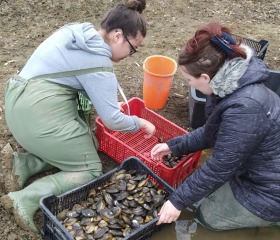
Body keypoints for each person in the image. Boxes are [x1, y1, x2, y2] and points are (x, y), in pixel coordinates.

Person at [0, 0, 155, 232]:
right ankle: (25, 199)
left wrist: (108, 103)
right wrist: (140, 123)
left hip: (17, 103)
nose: (130, 55)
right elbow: (113, 121)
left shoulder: (77, 31)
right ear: (117, 35)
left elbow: (79, 82)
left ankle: (23, 164)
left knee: (89, 141)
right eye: (133, 49)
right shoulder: (99, 62)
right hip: (38, 119)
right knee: (91, 169)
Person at [151, 22, 280, 231]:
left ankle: (271, 222)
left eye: (188, 79)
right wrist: (174, 146)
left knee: (206, 218)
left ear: (204, 77)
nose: (189, 84)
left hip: (270, 192)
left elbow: (220, 166)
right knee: (203, 192)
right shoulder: (228, 85)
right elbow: (212, 132)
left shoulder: (245, 106)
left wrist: (177, 201)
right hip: (255, 169)